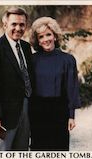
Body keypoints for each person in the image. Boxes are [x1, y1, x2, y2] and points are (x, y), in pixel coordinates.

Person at [0, 7, 32, 150]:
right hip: (3, 117)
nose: (18, 28)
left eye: (22, 24)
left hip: (25, 111)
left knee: (22, 152)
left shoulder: (26, 47)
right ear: (5, 25)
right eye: (14, 24)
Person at [29, 17, 81, 151]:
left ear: (55, 36)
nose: (46, 39)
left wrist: (71, 116)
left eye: (48, 34)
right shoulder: (32, 60)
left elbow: (72, 88)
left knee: (59, 149)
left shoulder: (68, 60)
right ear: (37, 41)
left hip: (59, 111)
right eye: (41, 36)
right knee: (39, 149)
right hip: (37, 112)